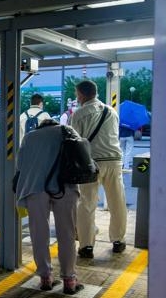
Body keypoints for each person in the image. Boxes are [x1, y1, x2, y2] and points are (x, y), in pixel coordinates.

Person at [15, 119, 83, 295]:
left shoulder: (29, 137)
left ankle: (45, 277)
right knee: (66, 233)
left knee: (39, 233)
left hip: (35, 188)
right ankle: (69, 279)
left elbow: (20, 165)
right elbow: (81, 155)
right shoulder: (67, 130)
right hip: (64, 187)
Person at [70, 80, 127, 258]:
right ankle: (118, 240)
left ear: (82, 94)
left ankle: (86, 246)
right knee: (117, 201)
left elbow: (75, 141)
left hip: (91, 163)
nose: (76, 97)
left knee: (86, 203)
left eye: (77, 94)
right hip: (114, 161)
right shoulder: (112, 111)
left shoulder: (79, 114)